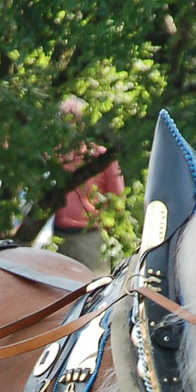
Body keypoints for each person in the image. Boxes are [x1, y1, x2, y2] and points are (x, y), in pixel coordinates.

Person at [51, 96, 126, 276]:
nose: (71, 125)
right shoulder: (51, 156)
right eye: (65, 118)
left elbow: (118, 200)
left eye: (75, 119)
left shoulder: (101, 158)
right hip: (55, 236)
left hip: (90, 238)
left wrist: (109, 229)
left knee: (95, 287)